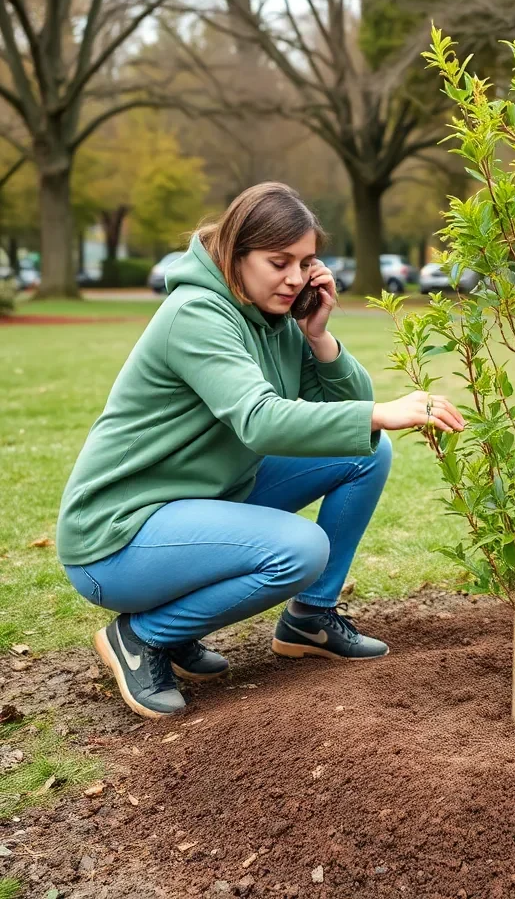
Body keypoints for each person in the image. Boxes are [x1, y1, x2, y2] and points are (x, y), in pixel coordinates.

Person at [57, 183, 465, 720]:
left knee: (367, 451)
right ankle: (144, 635)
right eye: (279, 262)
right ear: (235, 255)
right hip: (117, 536)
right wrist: (380, 411)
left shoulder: (276, 319)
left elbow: (347, 416)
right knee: (299, 549)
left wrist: (319, 337)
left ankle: (309, 620)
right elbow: (260, 421)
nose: (295, 278)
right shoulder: (197, 315)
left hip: (196, 504)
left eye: (306, 262)